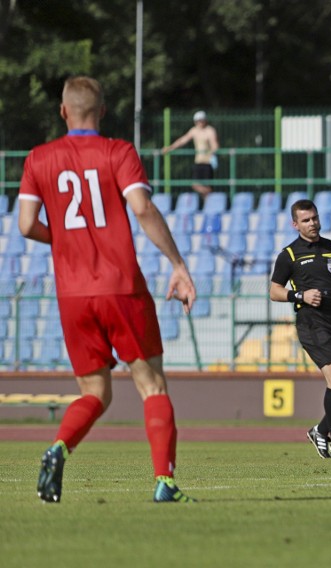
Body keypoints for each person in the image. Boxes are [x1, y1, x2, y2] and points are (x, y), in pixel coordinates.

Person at [18, 76, 197, 503]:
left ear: (63, 112)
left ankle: (59, 447)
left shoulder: (38, 159)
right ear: (101, 111)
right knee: (152, 386)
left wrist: (61, 238)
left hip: (72, 295)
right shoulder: (118, 152)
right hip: (120, 287)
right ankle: (165, 483)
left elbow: (25, 225)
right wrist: (178, 265)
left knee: (94, 392)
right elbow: (143, 208)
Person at [270, 198, 331, 458]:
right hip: (312, 322)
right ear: (295, 224)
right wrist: (300, 296)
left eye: (314, 218)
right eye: (306, 220)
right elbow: (274, 291)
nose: (312, 223)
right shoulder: (288, 255)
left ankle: (320, 431)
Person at [161, 110, 219, 198]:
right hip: (198, 162)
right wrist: (170, 148)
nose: (199, 122)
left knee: (207, 186)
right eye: (198, 121)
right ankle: (211, 195)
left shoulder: (210, 131)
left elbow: (215, 145)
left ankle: (209, 203)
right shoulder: (194, 131)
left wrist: (212, 154)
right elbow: (182, 141)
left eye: (201, 120)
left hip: (207, 162)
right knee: (196, 185)